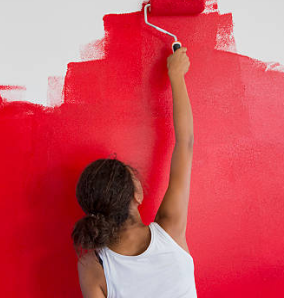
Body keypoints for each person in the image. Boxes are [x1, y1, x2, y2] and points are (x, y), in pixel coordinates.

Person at [71, 47, 196, 297]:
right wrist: (176, 75)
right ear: (136, 194)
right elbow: (186, 142)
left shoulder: (92, 267)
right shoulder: (169, 229)